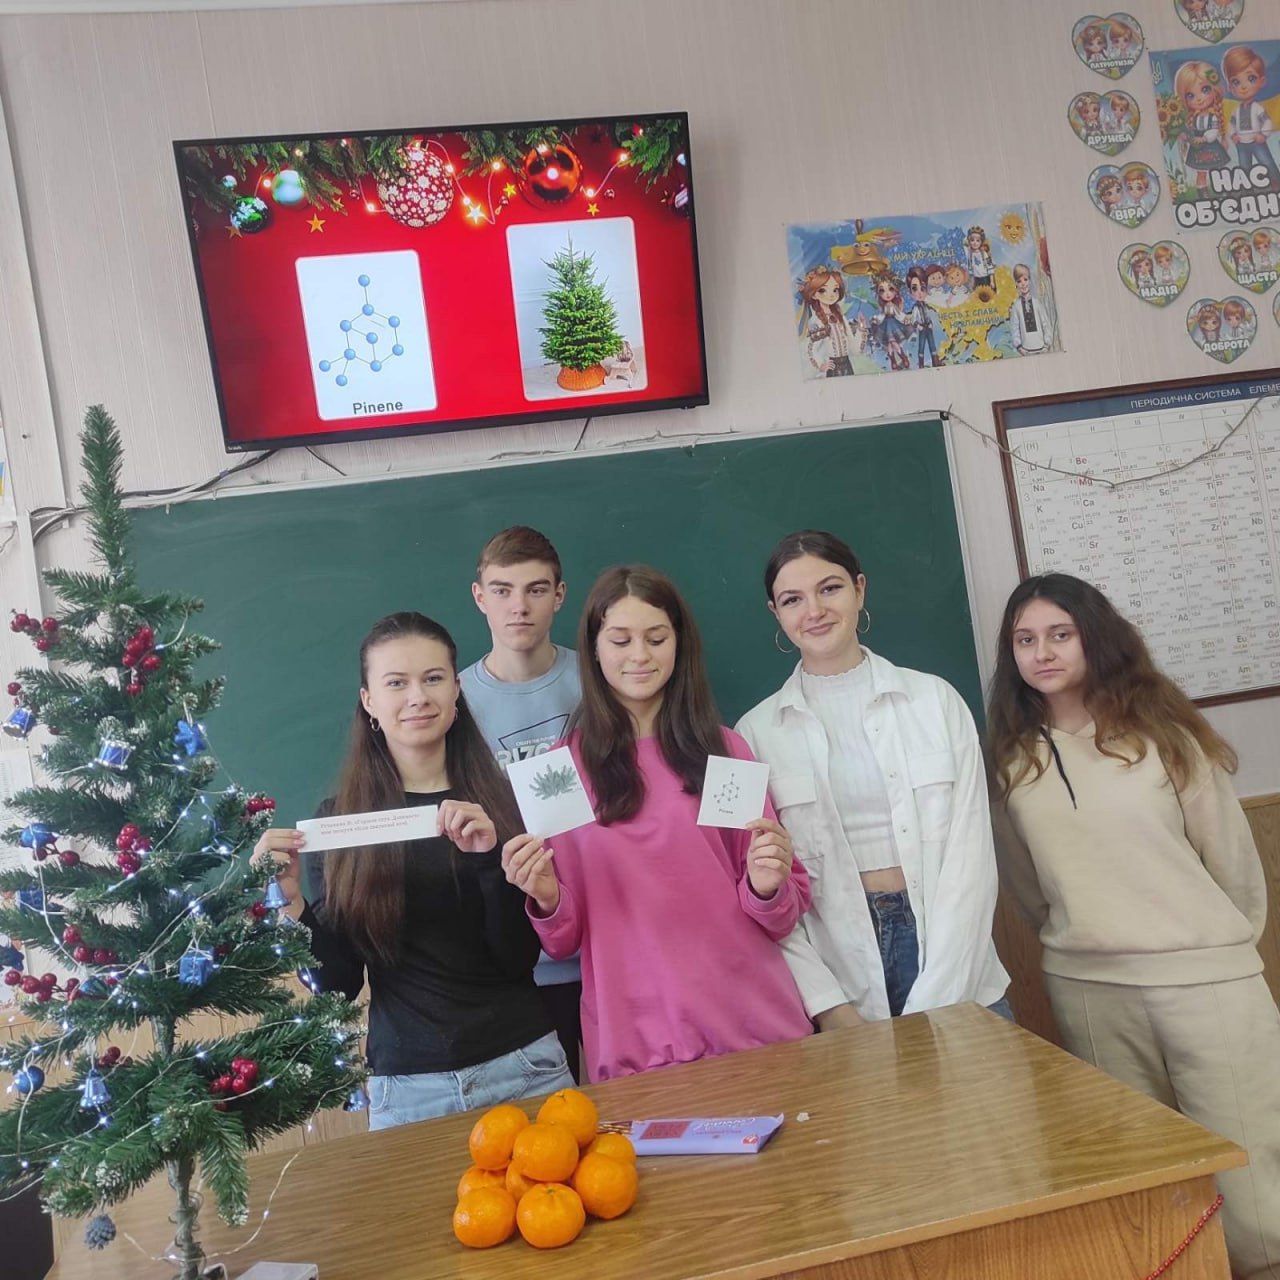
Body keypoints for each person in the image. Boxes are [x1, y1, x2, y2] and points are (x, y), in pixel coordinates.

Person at [987, 573, 1280, 1280]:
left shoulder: (1168, 738)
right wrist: (1085, 944)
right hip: (1090, 991)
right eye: (1025, 640)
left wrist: (1208, 951)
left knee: (1250, 1171)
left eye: (1060, 634)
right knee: (1147, 1175)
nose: (1042, 653)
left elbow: (1235, 870)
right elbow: (1031, 891)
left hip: (1208, 983)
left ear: (1095, 637)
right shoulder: (1013, 762)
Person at [254, 611, 573, 1130]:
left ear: (456, 691)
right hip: (408, 1089)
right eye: (396, 683)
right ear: (369, 702)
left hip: (524, 1065)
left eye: (433, 678)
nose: (418, 697)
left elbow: (517, 959)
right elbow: (336, 987)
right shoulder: (339, 824)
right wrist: (291, 905)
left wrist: (488, 863)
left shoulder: (505, 802)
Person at [501, 565, 813, 1082]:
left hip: (753, 1023)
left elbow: (780, 912)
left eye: (656, 638)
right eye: (620, 640)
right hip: (638, 1040)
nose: (640, 656)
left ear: (679, 643)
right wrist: (546, 897)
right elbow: (562, 941)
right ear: (593, 649)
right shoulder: (558, 772)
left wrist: (766, 884)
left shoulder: (722, 749)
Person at [735, 531, 1010, 1029]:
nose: (814, 610)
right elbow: (765, 885)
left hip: (957, 963)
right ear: (775, 613)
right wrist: (829, 1006)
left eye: (830, 588)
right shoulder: (752, 734)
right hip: (838, 973)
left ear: (860, 589)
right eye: (792, 600)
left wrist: (941, 995)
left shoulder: (936, 700)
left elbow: (971, 860)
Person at [460, 526, 584, 1080]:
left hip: (605, 940)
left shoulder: (600, 677)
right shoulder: (451, 702)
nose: (519, 607)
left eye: (535, 590)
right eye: (502, 590)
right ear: (479, 597)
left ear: (559, 596)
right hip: (514, 961)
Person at [1226, 47, 1280, 192]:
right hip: (1241, 143)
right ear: (1230, 87)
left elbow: (1267, 121)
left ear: (1262, 81)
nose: (1243, 87)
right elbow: (1231, 124)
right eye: (1236, 82)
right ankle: (1247, 190)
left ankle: (1276, 182)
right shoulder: (1236, 110)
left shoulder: (1257, 108)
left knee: (1267, 162)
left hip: (1257, 141)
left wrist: (1263, 134)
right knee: (1244, 167)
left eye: (1251, 79)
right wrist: (1233, 135)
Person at [798, 265, 866, 377]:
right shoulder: (816, 321)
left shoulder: (840, 317)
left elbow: (854, 348)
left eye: (835, 290)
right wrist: (820, 364)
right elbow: (810, 348)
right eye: (822, 290)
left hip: (847, 366)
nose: (831, 295)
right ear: (814, 295)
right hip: (832, 369)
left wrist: (861, 328)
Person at [1175, 60, 1229, 194]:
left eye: (1205, 90)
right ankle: (1202, 194)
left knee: (1217, 170)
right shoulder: (1194, 118)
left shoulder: (1213, 117)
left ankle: (1224, 192)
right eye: (1190, 95)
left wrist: (1204, 138)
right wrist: (1185, 136)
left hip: (1211, 147)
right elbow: (1190, 132)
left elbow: (1214, 131)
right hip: (1197, 150)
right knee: (1201, 173)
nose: (1199, 99)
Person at [1007, 264, 1052, 355]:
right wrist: (1019, 347)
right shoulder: (1016, 306)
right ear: (1016, 284)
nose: (1023, 284)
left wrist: (1047, 345)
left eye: (1025, 279)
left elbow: (1045, 324)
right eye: (1019, 281)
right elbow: (1014, 328)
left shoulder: (1037, 303)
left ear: (1030, 280)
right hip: (1026, 350)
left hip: (1042, 349)